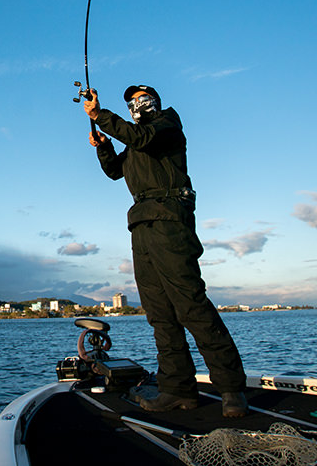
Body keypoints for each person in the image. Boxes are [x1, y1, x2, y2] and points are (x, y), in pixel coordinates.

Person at [83, 84, 248, 418]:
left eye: (143, 99)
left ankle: (231, 388)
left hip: (171, 219)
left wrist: (100, 115)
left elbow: (141, 138)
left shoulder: (167, 126)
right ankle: (177, 390)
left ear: (155, 103)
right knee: (159, 312)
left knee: (191, 304)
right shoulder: (136, 141)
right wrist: (103, 147)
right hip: (141, 224)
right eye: (131, 102)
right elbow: (116, 171)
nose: (138, 104)